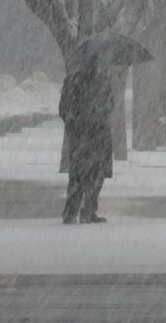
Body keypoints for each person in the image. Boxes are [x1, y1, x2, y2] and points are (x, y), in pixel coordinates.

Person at [60, 65, 115, 224]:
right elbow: (110, 105)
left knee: (87, 174)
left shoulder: (75, 81)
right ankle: (82, 211)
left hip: (88, 134)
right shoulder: (98, 81)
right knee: (87, 174)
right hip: (91, 134)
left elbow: (110, 104)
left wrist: (75, 122)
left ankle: (78, 211)